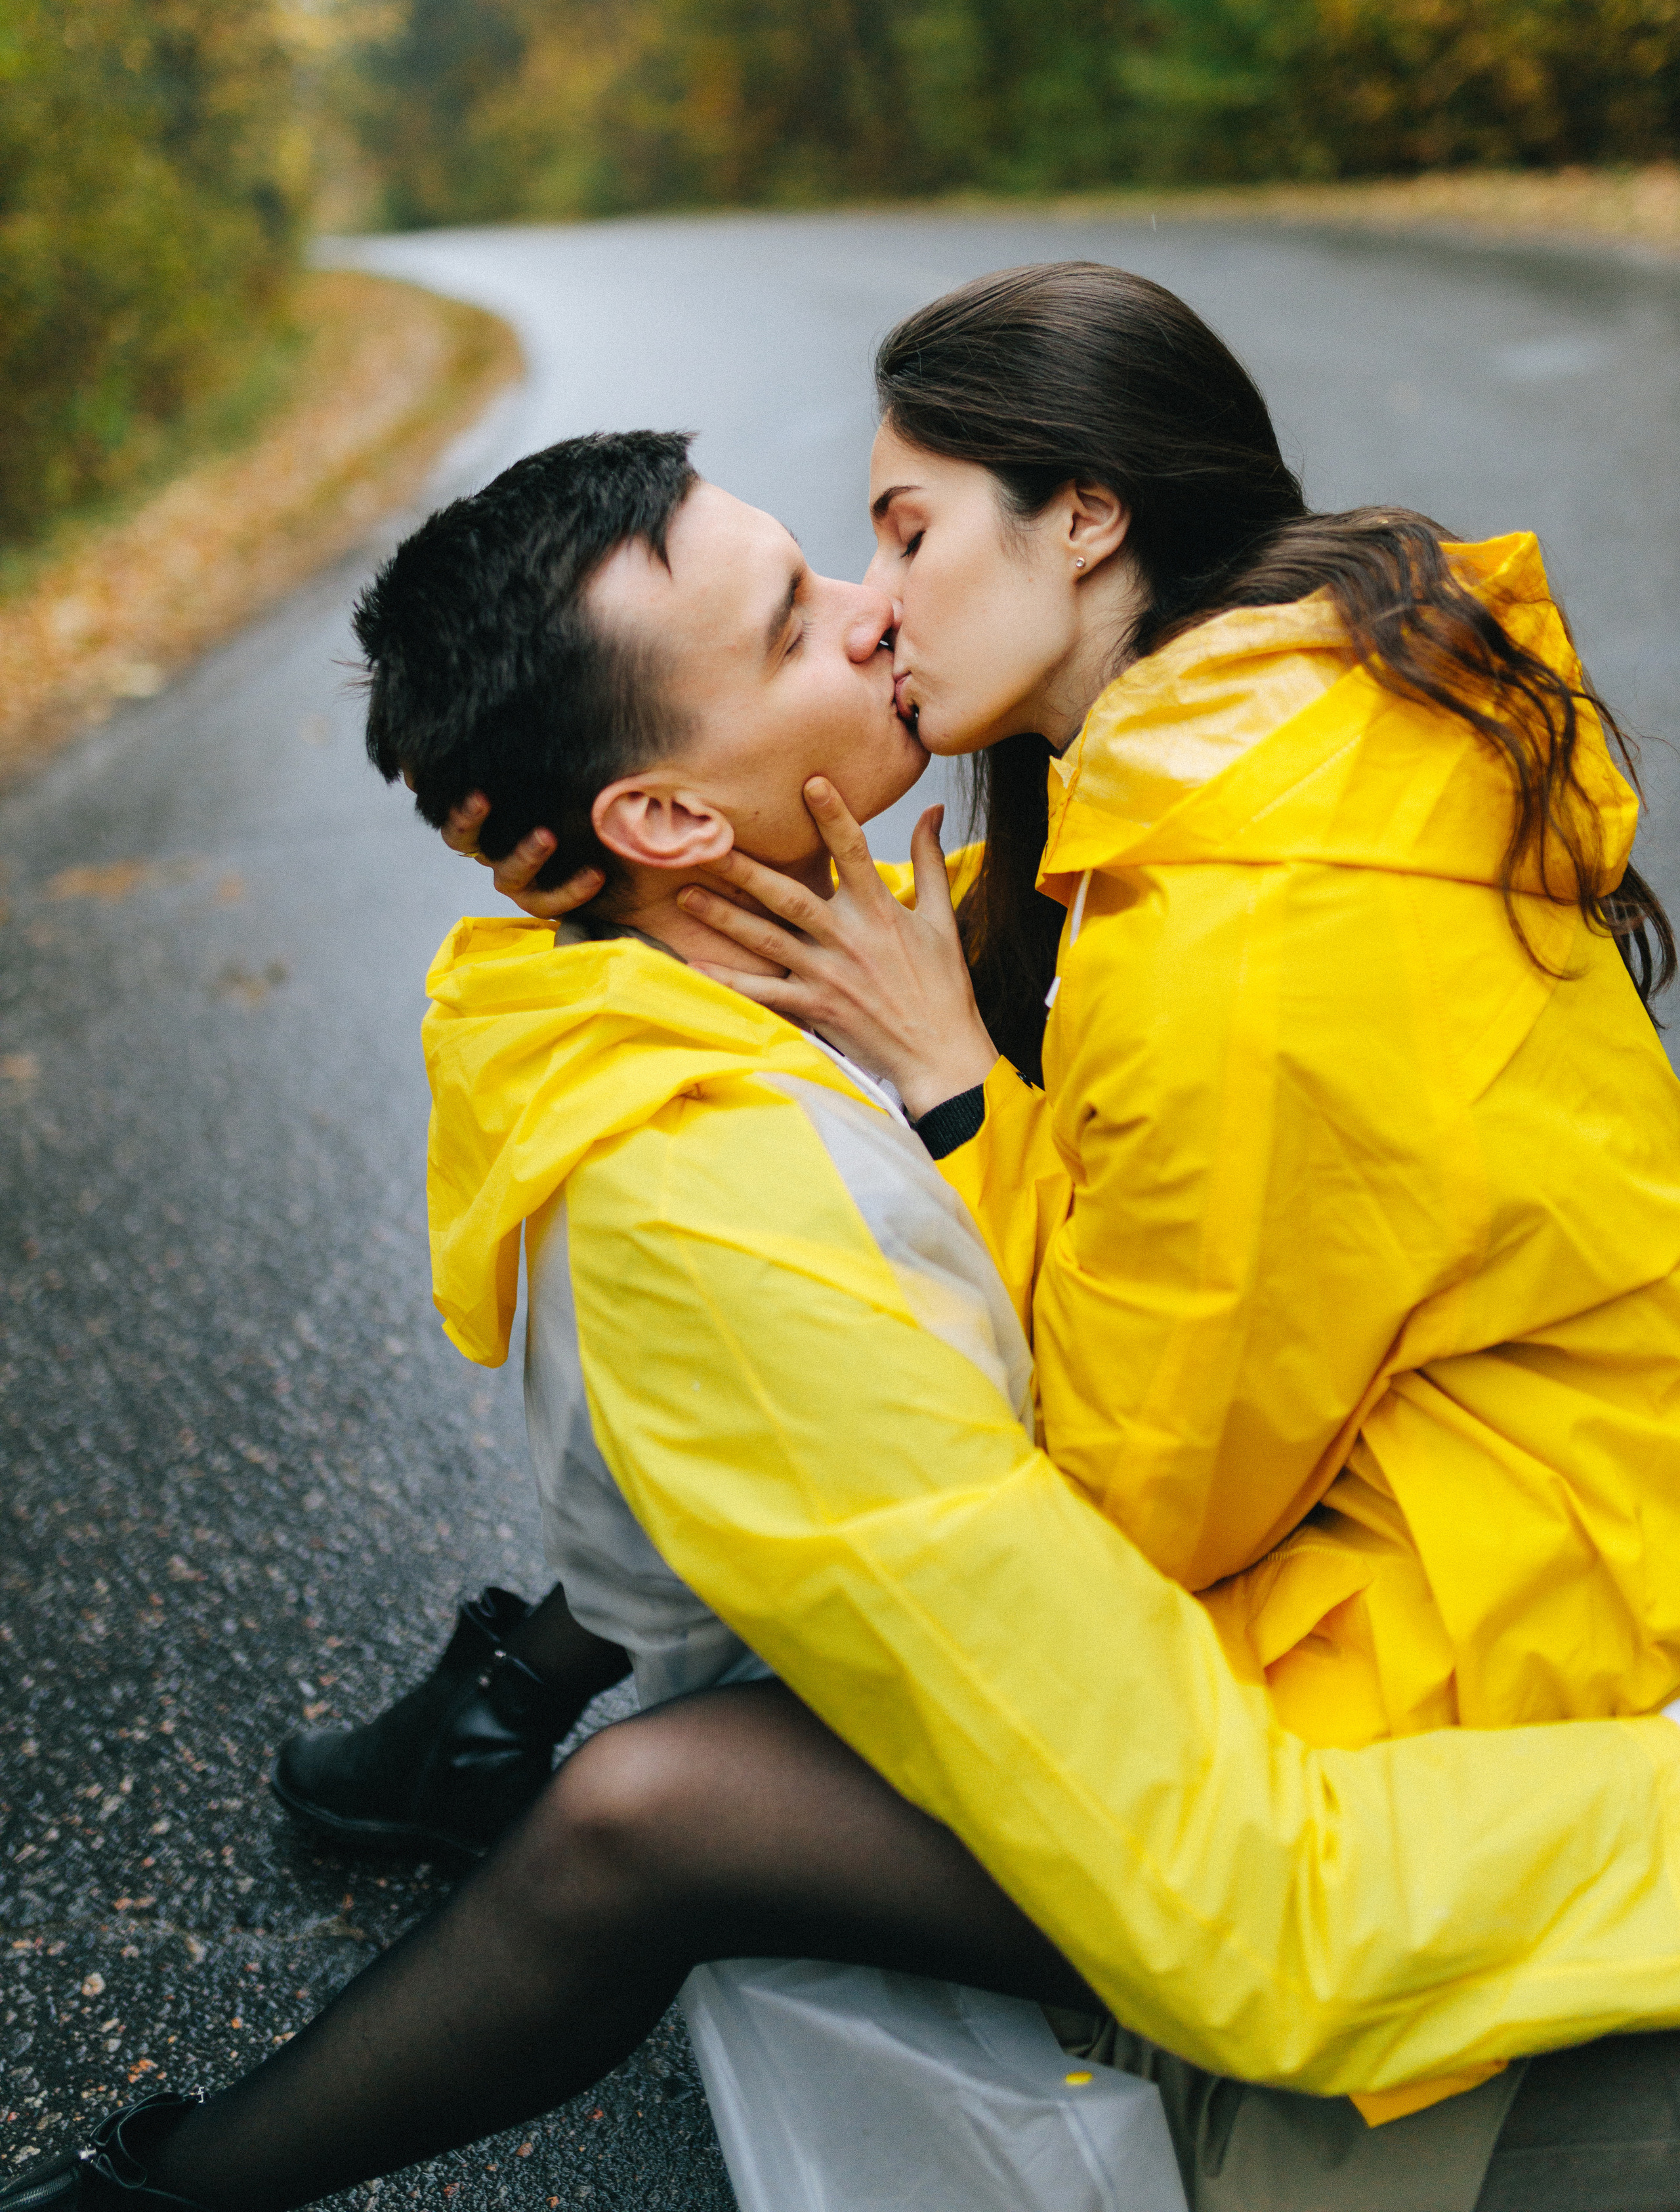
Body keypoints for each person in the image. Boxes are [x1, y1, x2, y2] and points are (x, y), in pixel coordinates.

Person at [14, 428, 1680, 2212]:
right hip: (1238, 1691)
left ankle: (255, 2050)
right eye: (798, 623)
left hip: (1364, 1542)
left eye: (836, 562)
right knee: (641, 1815)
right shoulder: (727, 1196)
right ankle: (159, 2189)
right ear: (657, 817)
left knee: (640, 1791)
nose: (880, 608)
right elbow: (1229, 1863)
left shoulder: (849, 938)